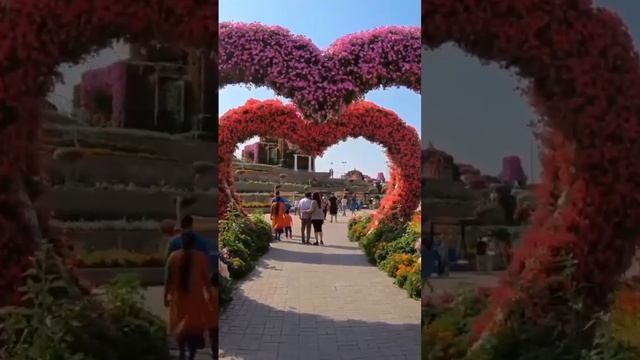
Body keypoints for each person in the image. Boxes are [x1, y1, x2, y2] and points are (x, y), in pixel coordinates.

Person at [167, 216, 218, 359]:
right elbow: (207, 275)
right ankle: (191, 354)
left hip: (178, 295)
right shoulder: (203, 245)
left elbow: (168, 276)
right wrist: (209, 294)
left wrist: (166, 294)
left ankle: (182, 351)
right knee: (194, 327)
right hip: (196, 295)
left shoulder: (173, 247)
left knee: (179, 325)